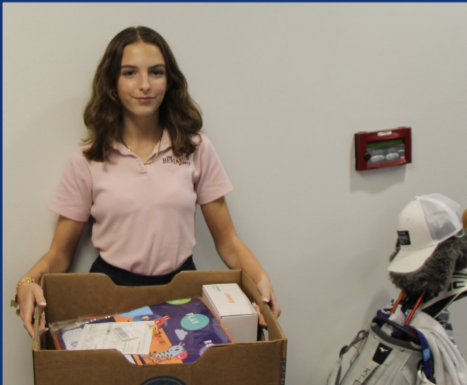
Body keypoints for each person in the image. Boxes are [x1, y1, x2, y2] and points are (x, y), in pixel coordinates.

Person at [12, 26, 281, 338]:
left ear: (169, 81)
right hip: (109, 295)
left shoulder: (195, 148)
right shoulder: (87, 158)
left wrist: (260, 278)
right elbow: (60, 253)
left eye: (156, 72)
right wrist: (28, 282)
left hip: (184, 293)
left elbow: (228, 242)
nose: (144, 85)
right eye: (129, 73)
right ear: (112, 82)